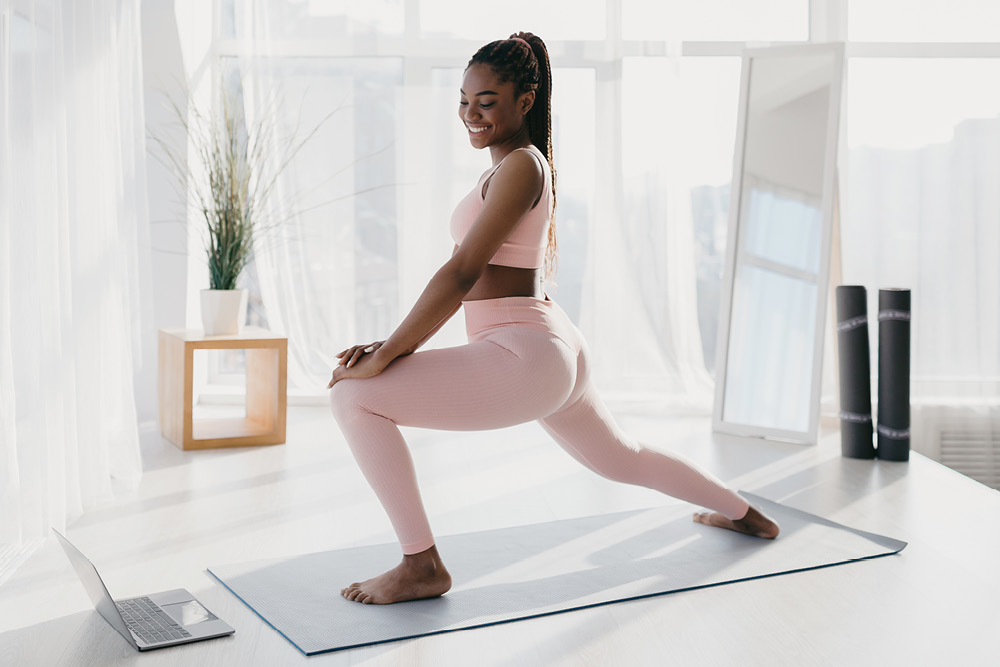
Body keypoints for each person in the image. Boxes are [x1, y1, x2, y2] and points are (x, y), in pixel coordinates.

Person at [328, 31, 779, 605]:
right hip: (543, 340)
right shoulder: (514, 167)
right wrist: (393, 347)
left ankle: (421, 565)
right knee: (622, 459)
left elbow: (463, 271)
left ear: (525, 100)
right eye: (464, 101)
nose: (471, 113)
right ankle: (745, 514)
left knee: (352, 397)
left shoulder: (520, 166)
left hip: (522, 352)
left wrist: (390, 351)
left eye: (486, 102)